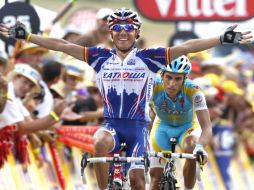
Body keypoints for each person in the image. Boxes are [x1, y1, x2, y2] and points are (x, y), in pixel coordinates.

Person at [0, 7, 251, 190]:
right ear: (111, 33)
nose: (123, 32)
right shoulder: (99, 56)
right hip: (111, 124)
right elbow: (61, 45)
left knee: (139, 182)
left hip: (138, 127)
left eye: (128, 28)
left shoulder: (149, 57)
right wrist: (28, 36)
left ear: (136, 32)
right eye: (117, 28)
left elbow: (187, 47)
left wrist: (221, 38)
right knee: (99, 140)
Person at [149, 55, 212, 190]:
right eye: (169, 77)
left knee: (192, 146)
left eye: (178, 79)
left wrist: (200, 147)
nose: (172, 83)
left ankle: (188, 188)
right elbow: (144, 117)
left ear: (185, 79)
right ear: (162, 75)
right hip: (162, 127)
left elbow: (206, 127)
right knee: (155, 178)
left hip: (187, 127)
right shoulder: (152, 86)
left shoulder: (194, 90)